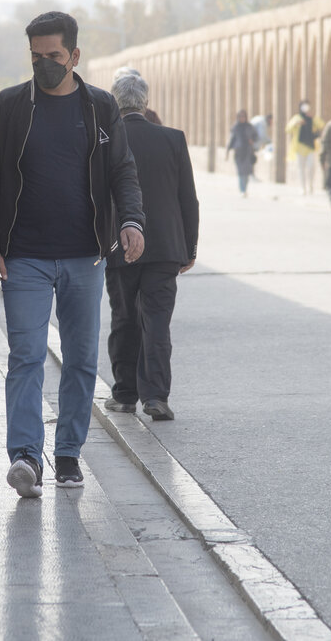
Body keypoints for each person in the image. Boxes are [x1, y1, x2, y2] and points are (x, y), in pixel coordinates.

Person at [0, 11, 145, 498]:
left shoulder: (99, 107)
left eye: (53, 56)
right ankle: (26, 455)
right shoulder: (10, 106)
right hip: (24, 256)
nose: (44, 64)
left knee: (81, 360)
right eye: (36, 57)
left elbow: (123, 172)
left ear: (74, 56)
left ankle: (68, 452)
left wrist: (131, 222)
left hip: (85, 257)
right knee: (26, 356)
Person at [103, 73, 198, 421]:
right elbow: (188, 198)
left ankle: (125, 393)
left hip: (119, 245)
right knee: (157, 321)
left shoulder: (107, 140)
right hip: (164, 248)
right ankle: (156, 396)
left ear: (115, 101)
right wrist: (189, 248)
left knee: (124, 318)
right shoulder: (173, 139)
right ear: (145, 101)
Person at [285, 101, 323, 194]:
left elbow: (321, 125)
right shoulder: (297, 118)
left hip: (310, 147)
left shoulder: (311, 118)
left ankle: (310, 185)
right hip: (299, 148)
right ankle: (303, 187)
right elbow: (288, 129)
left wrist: (313, 118)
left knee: (311, 167)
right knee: (301, 168)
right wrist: (297, 123)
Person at [226, 109, 258, 196]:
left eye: (243, 116)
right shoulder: (235, 127)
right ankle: (242, 189)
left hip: (248, 151)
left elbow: (255, 136)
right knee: (240, 171)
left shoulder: (249, 127)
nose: (242, 118)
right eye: (240, 116)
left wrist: (252, 140)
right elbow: (232, 139)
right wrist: (228, 150)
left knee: (247, 171)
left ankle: (245, 188)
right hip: (238, 152)